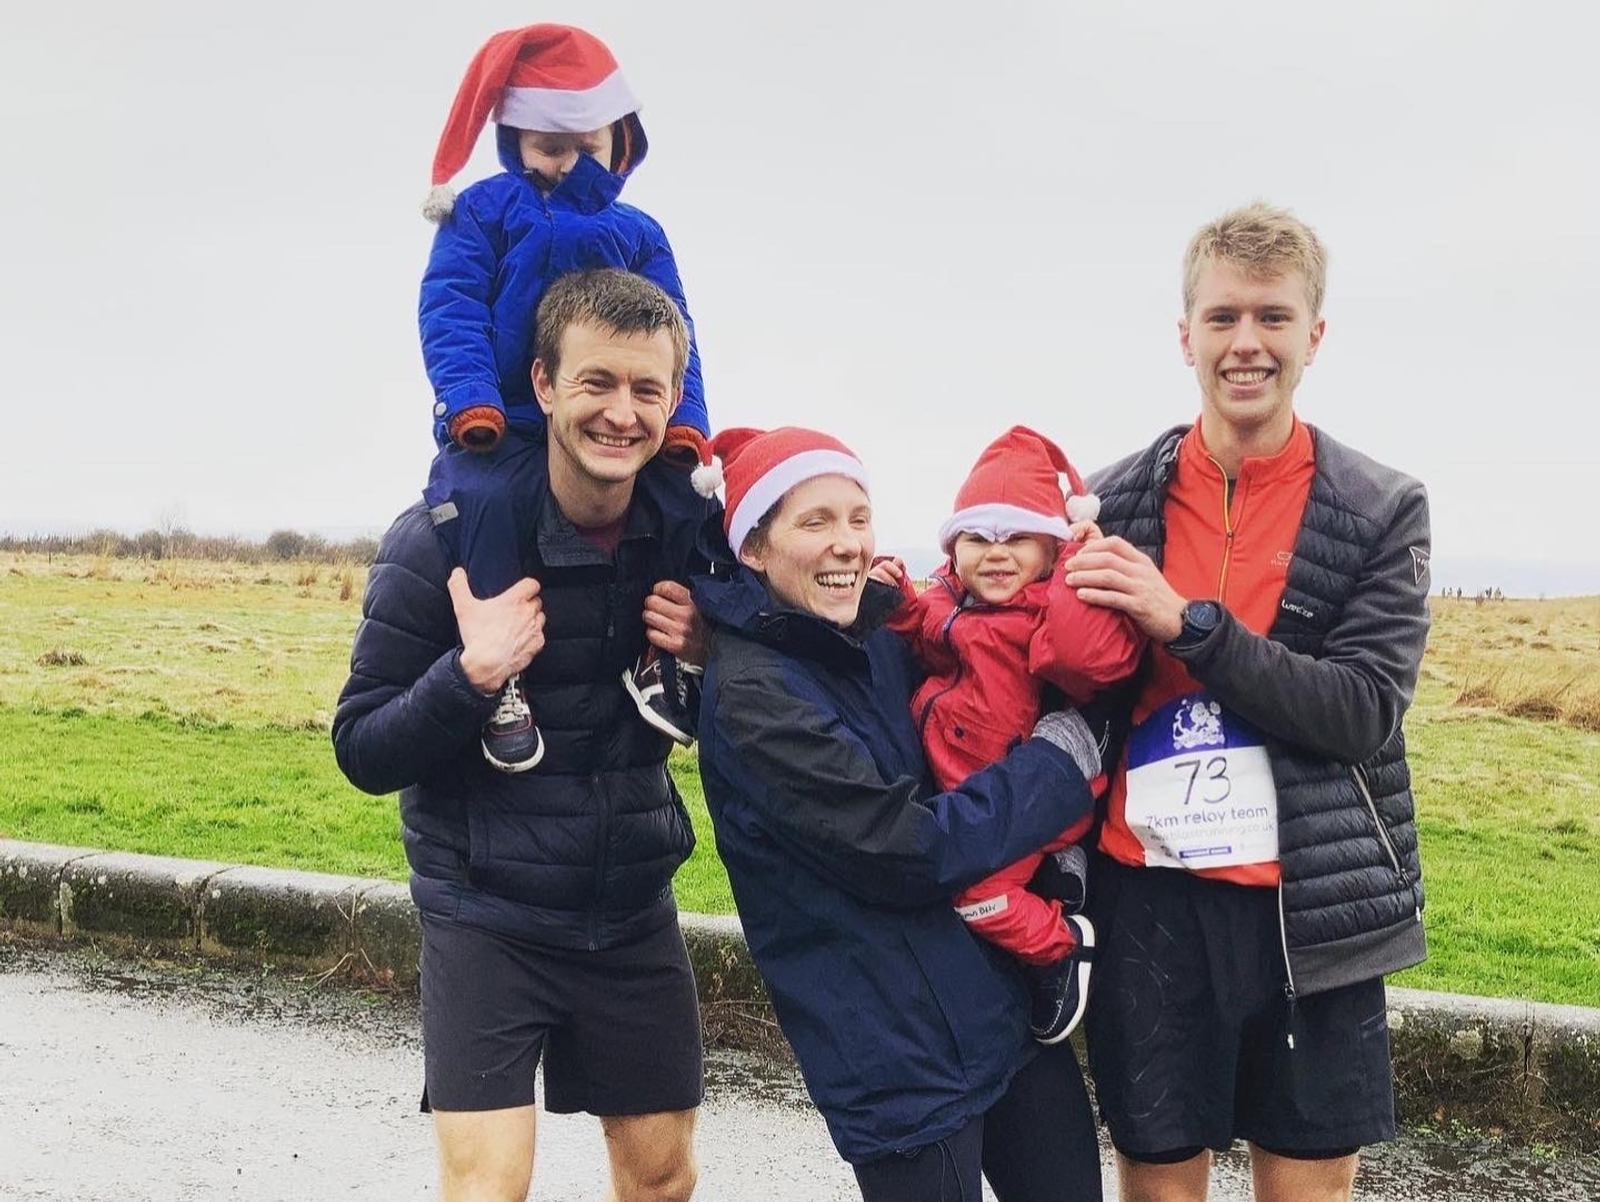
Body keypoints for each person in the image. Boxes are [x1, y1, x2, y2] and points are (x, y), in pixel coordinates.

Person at [1063, 203, 1431, 1202]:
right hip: (1149, 902)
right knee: (1157, 1186)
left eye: (1273, 317)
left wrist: (1188, 626)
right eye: (1222, 317)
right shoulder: (1108, 503)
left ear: (1315, 334)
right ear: (1184, 335)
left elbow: (1360, 709)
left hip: (1308, 910)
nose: (1246, 343)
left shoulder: (1381, 508)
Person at [333, 270, 716, 1202]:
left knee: (663, 1179)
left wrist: (710, 662)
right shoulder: (443, 542)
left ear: (674, 399)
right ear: (543, 384)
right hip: (485, 912)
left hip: (630, 903)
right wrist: (469, 676)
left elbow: (757, 715)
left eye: (647, 389)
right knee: (488, 1188)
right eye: (596, 382)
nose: (621, 413)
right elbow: (363, 747)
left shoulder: (687, 543)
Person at [689, 426, 1106, 1202]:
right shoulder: (755, 698)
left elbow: (990, 660)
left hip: (996, 1009)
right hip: (895, 1059)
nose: (847, 543)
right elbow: (909, 849)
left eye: (858, 517)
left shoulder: (872, 634)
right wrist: (1060, 761)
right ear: (754, 549)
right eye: (814, 522)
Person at [418, 24, 711, 771]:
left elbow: (676, 333)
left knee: (687, 502)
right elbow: (451, 307)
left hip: (614, 422)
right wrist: (469, 402)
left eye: (587, 145)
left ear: (619, 142)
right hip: (503, 421)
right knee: (485, 504)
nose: (569, 163)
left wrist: (684, 423)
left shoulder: (639, 231)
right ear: (515, 139)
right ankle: (502, 674)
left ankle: (662, 657)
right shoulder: (482, 211)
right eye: (550, 146)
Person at [869, 425, 1144, 1042]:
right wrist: (903, 603)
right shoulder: (956, 604)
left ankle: (1060, 946)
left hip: (1018, 790)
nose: (996, 554)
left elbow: (1084, 654)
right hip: (971, 786)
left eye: (1018, 537)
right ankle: (1059, 870)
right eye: (977, 538)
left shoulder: (1044, 611)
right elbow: (932, 642)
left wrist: (1074, 560)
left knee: (973, 897)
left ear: (1051, 547)